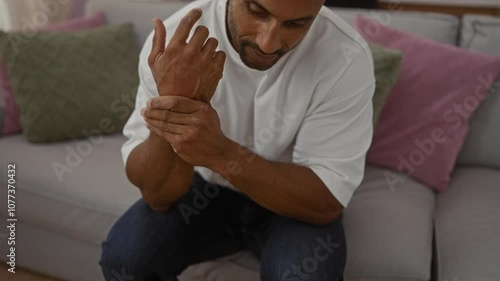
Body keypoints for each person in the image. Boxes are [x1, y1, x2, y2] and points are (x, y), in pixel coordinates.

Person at [99, 0, 375, 280]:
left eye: (296, 24)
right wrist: (176, 105)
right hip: (206, 187)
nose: (268, 44)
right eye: (257, 11)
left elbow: (325, 205)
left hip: (292, 195)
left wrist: (220, 153)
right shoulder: (174, 44)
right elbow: (159, 197)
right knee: (125, 262)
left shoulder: (345, 56)